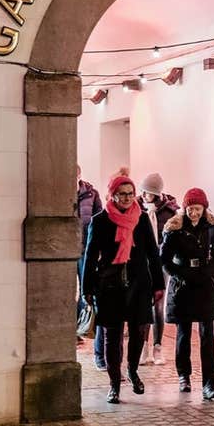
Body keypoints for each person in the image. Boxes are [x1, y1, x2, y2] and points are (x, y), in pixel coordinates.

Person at [81, 169, 164, 403]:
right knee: (112, 336)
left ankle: (132, 369)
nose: (127, 198)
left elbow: (152, 254)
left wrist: (158, 285)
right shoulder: (100, 220)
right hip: (109, 284)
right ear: (113, 195)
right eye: (122, 194)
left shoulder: (142, 218)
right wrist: (88, 288)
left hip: (139, 283)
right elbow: (90, 255)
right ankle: (114, 384)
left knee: (139, 330)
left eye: (130, 193)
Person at [161, 187, 214, 401]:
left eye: (197, 209)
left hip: (205, 285)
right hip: (184, 286)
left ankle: (209, 384)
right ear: (185, 208)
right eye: (190, 209)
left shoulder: (212, 227)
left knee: (208, 336)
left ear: (204, 208)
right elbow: (165, 259)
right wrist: (181, 274)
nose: (194, 213)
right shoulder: (175, 227)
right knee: (183, 334)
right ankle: (184, 376)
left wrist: (208, 273)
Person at [139, 172, 178, 366]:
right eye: (144, 192)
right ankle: (143, 348)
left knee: (158, 307)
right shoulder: (137, 209)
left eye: (149, 193)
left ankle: (158, 346)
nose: (146, 196)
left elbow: (171, 238)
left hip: (161, 263)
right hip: (142, 263)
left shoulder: (169, 212)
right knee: (144, 306)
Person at [75, 166, 103, 363]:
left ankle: (82, 327)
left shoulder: (91, 194)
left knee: (86, 289)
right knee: (68, 291)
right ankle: (72, 329)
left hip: (86, 248)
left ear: (79, 175)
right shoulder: (59, 192)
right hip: (67, 249)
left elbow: (99, 217)